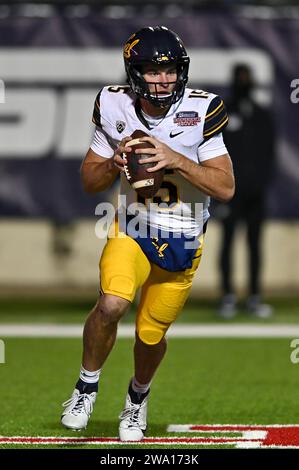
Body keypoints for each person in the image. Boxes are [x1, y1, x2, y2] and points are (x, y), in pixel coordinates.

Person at [60, 26, 235, 441]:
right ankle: (86, 386)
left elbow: (225, 187)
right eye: (154, 72)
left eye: (171, 70)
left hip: (184, 239)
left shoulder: (201, 110)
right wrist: (113, 163)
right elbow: (89, 180)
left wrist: (177, 159)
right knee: (111, 304)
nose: (164, 79)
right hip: (133, 228)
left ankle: (137, 399)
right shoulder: (113, 104)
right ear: (135, 73)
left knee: (150, 334)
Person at [218, 64, 275, 318]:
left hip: (255, 193)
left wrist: (261, 182)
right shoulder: (223, 114)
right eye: (240, 77)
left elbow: (269, 153)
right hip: (230, 192)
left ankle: (254, 296)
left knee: (254, 244)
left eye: (247, 77)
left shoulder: (262, 115)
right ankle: (228, 296)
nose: (244, 82)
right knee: (228, 243)